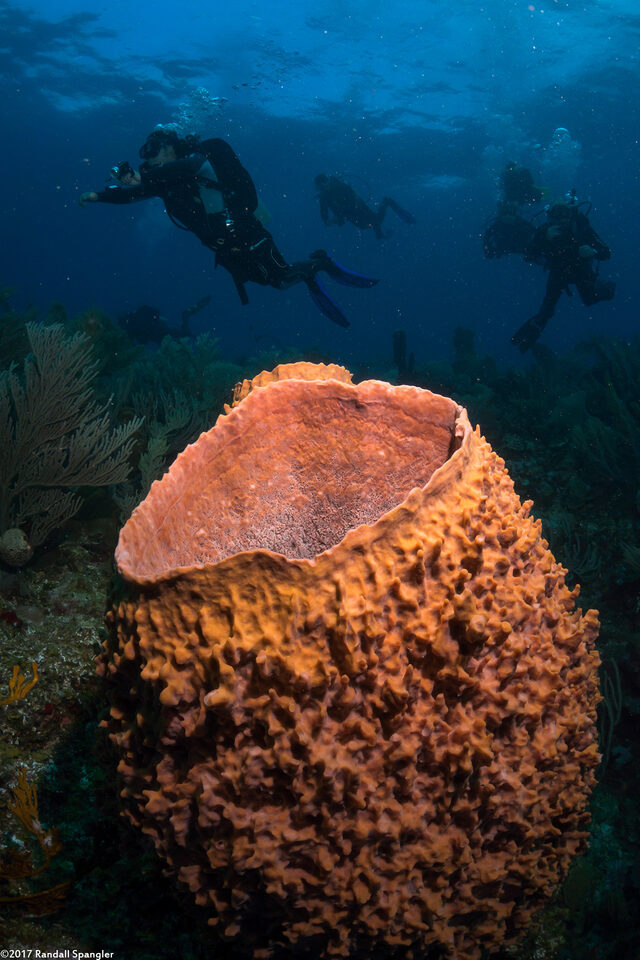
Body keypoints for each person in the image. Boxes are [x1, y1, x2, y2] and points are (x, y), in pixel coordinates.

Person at [80, 129, 378, 327]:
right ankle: (313, 267)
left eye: (155, 151)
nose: (151, 161)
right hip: (225, 250)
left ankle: (320, 263)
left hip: (249, 236)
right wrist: (97, 196)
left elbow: (190, 166)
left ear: (171, 145)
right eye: (148, 158)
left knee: (283, 278)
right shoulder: (164, 182)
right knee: (272, 283)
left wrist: (146, 179)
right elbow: (131, 194)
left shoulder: (201, 156)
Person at [511, 195, 615, 352]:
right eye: (556, 214)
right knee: (546, 310)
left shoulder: (581, 227)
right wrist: (543, 238)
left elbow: (606, 253)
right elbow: (529, 255)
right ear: (549, 216)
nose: (561, 219)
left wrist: (592, 251)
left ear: (571, 213)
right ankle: (526, 339)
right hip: (558, 272)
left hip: (581, 270)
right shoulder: (544, 231)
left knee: (589, 299)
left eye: (564, 213)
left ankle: (604, 287)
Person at [314, 174, 415, 239]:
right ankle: (379, 234)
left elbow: (352, 197)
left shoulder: (340, 187)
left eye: (324, 184)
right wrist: (328, 221)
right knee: (366, 225)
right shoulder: (324, 196)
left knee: (375, 221)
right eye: (321, 187)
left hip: (358, 208)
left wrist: (339, 215)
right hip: (349, 214)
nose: (324, 188)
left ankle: (386, 202)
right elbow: (323, 211)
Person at [483, 161, 542, 259]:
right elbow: (486, 240)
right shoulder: (498, 225)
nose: (508, 215)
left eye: (511, 211)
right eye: (505, 212)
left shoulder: (520, 224)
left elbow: (536, 236)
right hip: (514, 248)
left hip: (514, 248)